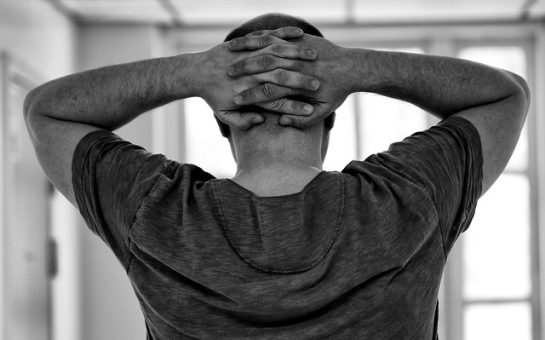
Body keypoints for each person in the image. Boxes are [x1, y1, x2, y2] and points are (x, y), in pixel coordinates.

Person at [24, 13, 529, 340]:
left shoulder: (153, 210)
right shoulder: (407, 197)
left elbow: (46, 110)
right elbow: (506, 93)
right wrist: (357, 67)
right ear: (329, 114)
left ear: (220, 119)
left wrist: (189, 74)